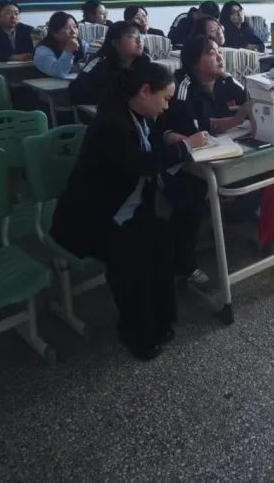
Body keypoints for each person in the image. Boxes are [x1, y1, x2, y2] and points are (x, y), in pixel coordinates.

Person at [51, 60, 208, 360]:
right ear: (145, 91)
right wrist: (186, 146)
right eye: (165, 98)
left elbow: (148, 143)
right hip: (93, 218)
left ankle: (161, 321)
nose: (166, 106)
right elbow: (141, 163)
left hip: (127, 211)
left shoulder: (137, 114)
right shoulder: (111, 123)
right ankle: (138, 335)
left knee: (163, 239)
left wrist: (167, 138)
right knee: (134, 256)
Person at [162, 35, 252, 282]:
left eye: (219, 51)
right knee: (192, 193)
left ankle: (230, 223)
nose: (220, 57)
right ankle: (184, 265)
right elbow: (191, 127)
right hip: (181, 161)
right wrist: (235, 120)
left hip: (218, 152)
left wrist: (246, 112)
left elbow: (249, 101)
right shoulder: (182, 85)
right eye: (211, 53)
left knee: (259, 173)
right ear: (194, 61)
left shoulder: (225, 80)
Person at [69, 21, 145, 107]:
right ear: (115, 43)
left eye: (140, 37)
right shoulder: (100, 62)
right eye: (131, 36)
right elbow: (75, 91)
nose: (139, 41)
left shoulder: (145, 61)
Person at [33, 11, 87, 78]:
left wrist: (79, 66)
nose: (73, 31)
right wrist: (68, 52)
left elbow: (93, 61)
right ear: (54, 32)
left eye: (75, 27)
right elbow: (59, 73)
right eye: (67, 28)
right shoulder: (42, 51)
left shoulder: (81, 43)